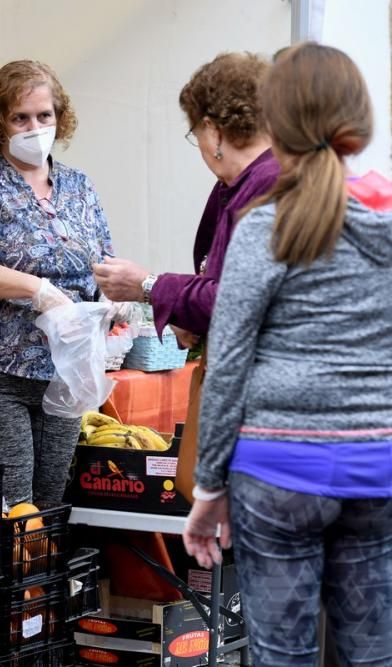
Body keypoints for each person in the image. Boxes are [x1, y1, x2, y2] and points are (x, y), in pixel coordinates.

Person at [183, 43, 392, 667]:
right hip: (377, 463)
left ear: (275, 122)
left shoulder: (263, 227)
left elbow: (229, 367)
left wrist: (209, 487)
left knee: (281, 657)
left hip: (275, 470)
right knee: (373, 656)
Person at [0, 60, 114, 506]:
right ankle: (12, 578)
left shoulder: (78, 186)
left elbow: (102, 256)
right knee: (13, 507)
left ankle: (43, 577)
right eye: (21, 117)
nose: (35, 127)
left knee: (50, 502)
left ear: (59, 117)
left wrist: (114, 296)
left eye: (44, 116)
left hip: (65, 371)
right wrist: (38, 290)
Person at [92, 52, 278, 349]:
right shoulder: (243, 183)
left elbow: (236, 301)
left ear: (214, 131)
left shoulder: (266, 184)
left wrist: (148, 285)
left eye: (196, 134)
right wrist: (189, 315)